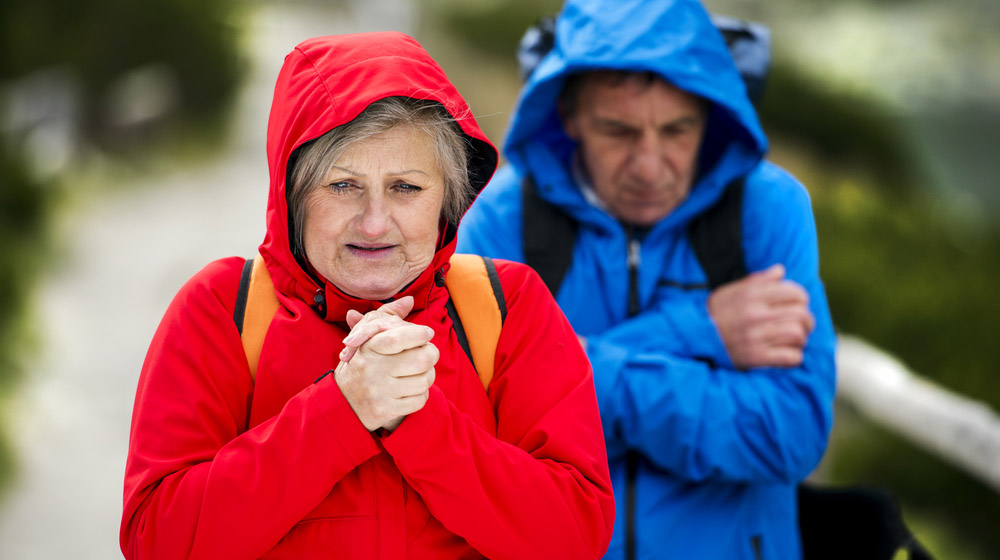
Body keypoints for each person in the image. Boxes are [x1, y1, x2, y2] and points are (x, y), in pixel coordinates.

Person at [120, 32, 615, 559]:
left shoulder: (504, 305)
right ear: (292, 194)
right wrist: (344, 407)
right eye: (342, 186)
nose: (375, 223)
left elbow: (572, 537)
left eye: (407, 187)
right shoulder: (223, 308)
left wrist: (419, 423)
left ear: (447, 199)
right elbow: (159, 540)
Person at [457, 0, 837, 558]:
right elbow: (483, 434)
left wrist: (560, 378)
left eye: (678, 129)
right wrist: (697, 330)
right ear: (567, 115)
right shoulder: (499, 218)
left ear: (710, 115)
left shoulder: (769, 208)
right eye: (618, 130)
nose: (650, 166)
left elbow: (788, 434)